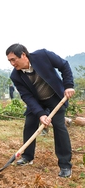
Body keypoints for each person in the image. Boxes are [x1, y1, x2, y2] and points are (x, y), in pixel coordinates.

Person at [6, 43, 75, 178]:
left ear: (24, 55)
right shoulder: (16, 76)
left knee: (59, 126)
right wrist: (40, 114)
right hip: (37, 101)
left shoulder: (43, 56)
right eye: (9, 61)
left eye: (14, 59)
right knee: (30, 125)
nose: (12, 63)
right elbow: (27, 96)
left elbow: (64, 65)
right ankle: (27, 156)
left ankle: (65, 165)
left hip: (54, 97)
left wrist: (68, 85)